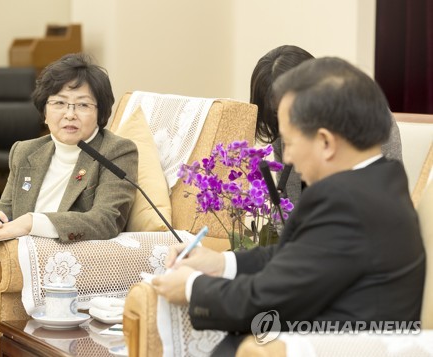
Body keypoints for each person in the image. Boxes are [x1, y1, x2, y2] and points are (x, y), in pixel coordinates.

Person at [152, 57, 425, 355]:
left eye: (291, 142)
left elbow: (268, 300)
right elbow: (296, 255)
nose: (288, 159)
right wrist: (221, 263)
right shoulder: (379, 182)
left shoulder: (348, 205)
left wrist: (192, 287)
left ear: (325, 142)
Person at [0, 53, 138, 356]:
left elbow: (106, 220)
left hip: (57, 275)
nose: (69, 114)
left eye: (82, 104)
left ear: (100, 113)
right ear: (44, 111)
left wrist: (31, 222)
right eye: (58, 103)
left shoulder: (116, 152)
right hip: (7, 268)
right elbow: (6, 209)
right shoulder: (26, 151)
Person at [250, 45, 403, 205]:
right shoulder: (282, 131)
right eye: (276, 113)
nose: (285, 122)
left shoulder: (372, 121)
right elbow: (284, 210)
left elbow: (386, 200)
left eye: (290, 110)